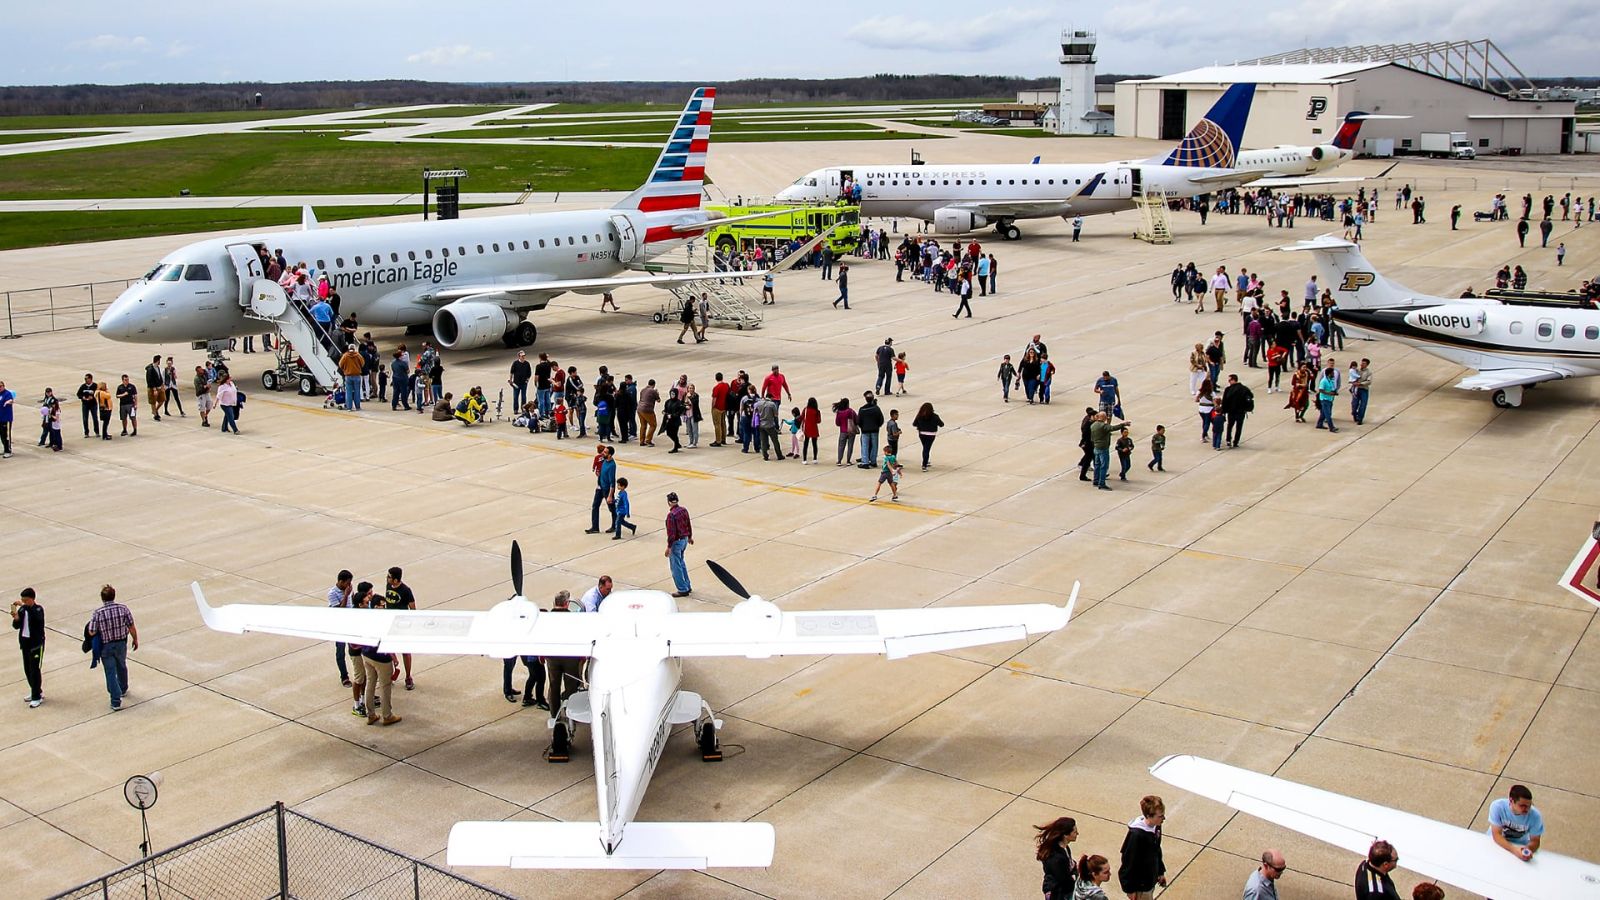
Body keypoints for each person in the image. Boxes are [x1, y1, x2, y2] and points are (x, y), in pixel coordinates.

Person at [86, 584, 138, 711]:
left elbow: (92, 631)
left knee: (110, 672)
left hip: (106, 646)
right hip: (121, 643)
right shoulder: (123, 609)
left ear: (102, 598)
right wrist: (135, 639)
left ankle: (115, 701)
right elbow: (131, 626)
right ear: (114, 596)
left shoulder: (98, 613)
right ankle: (123, 688)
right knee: (122, 665)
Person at [1117, 795, 1166, 900]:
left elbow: (1156, 850)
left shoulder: (1156, 826)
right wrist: (1129, 889)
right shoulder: (1137, 836)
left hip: (1150, 880)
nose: (1163, 818)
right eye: (1160, 816)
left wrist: (1160, 871)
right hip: (1141, 886)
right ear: (1149, 816)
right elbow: (1128, 862)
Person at [1487, 784, 1543, 863]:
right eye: (1522, 805)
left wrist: (1526, 849)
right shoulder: (1497, 807)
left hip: (1519, 845)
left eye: (1529, 805)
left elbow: (1535, 841)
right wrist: (1515, 851)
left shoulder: (1535, 816)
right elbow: (1497, 835)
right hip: (1495, 843)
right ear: (1511, 801)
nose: (1526, 809)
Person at [383, 567, 417, 691]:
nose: (387, 578)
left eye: (389, 576)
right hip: (389, 623)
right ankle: (389, 675)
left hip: (402, 625)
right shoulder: (388, 585)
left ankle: (408, 677)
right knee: (388, 650)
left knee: (405, 652)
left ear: (396, 580)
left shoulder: (406, 590)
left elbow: (413, 608)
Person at [12, 588, 45, 707]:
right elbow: (17, 626)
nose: (24, 602)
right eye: (22, 600)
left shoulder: (38, 609)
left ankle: (37, 696)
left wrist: (25, 607)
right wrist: (16, 619)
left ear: (32, 599)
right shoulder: (23, 609)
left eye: (26, 600)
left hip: (35, 644)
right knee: (27, 669)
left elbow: (37, 619)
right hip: (25, 643)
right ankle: (35, 691)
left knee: (35, 670)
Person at [1035, 816, 1078, 900]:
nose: (1077, 834)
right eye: (1075, 832)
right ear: (1066, 835)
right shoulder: (1056, 858)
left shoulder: (1064, 847)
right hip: (1057, 893)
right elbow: (1065, 881)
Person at [327, 570, 354, 687]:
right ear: (341, 581)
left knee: (355, 650)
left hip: (351, 624)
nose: (349, 585)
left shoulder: (349, 590)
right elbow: (339, 611)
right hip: (340, 626)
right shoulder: (332, 593)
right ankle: (344, 676)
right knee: (340, 652)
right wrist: (346, 595)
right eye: (347, 583)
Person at [665, 493, 693, 598]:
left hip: (676, 542)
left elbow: (671, 533)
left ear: (669, 502)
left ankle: (682, 589)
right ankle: (687, 585)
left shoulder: (671, 515)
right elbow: (688, 524)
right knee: (681, 563)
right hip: (685, 540)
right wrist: (690, 536)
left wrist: (669, 547)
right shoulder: (683, 510)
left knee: (675, 566)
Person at [587, 445, 616, 534]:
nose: (603, 453)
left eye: (605, 452)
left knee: (612, 509)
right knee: (595, 506)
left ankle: (615, 525)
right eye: (603, 451)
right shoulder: (604, 460)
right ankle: (595, 527)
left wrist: (610, 496)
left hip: (607, 490)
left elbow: (612, 482)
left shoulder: (611, 466)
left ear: (610, 455)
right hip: (600, 488)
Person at [1221, 374, 1254, 448]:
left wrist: (1223, 411)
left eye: (1229, 380)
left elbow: (1224, 401)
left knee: (1230, 426)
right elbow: (1251, 396)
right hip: (1241, 412)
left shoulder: (1228, 389)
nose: (1228, 382)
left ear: (1233, 380)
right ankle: (1236, 442)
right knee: (1239, 427)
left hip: (1231, 412)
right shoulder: (1244, 389)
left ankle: (1228, 440)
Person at [911, 402, 943, 472]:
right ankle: (924, 465)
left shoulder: (920, 416)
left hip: (922, 434)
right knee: (926, 449)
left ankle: (926, 460)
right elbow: (941, 424)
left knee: (925, 448)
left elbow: (914, 424)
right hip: (931, 434)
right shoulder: (935, 416)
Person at [857, 393, 884, 468]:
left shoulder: (862, 409)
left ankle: (865, 462)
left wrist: (862, 427)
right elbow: (881, 419)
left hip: (865, 430)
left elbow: (859, 421)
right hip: (875, 430)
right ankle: (873, 461)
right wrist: (877, 426)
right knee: (874, 446)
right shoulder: (876, 408)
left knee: (865, 446)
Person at [1089, 412, 1114, 490]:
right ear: (1103, 417)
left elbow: (1092, 438)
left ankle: (1096, 480)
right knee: (1104, 466)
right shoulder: (1103, 426)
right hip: (1103, 448)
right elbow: (1112, 428)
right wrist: (1123, 424)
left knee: (1097, 465)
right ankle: (1102, 483)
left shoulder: (1093, 425)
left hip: (1096, 447)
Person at [1314, 365, 1341, 433]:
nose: (1333, 374)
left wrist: (1334, 393)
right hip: (1325, 399)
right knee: (1328, 414)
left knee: (1323, 413)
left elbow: (1332, 388)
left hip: (1330, 399)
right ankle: (1331, 427)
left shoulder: (1330, 380)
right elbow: (1321, 390)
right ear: (1329, 374)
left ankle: (1319, 424)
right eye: (1332, 373)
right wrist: (1329, 393)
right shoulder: (1324, 381)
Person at [833, 397, 858, 466]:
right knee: (850, 446)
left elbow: (837, 423)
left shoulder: (839, 412)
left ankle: (839, 460)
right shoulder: (851, 411)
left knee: (841, 446)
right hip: (851, 431)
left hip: (843, 431)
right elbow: (856, 420)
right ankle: (848, 461)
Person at [638, 379, 660, 447]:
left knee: (643, 425)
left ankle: (642, 441)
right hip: (647, 410)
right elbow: (658, 400)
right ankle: (648, 440)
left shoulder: (643, 390)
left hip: (639, 409)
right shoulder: (653, 391)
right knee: (653, 425)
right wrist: (657, 393)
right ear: (654, 384)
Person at [76, 373, 98, 438]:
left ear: (91, 379)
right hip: (85, 404)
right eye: (85, 379)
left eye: (87, 379)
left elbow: (98, 393)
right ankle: (86, 433)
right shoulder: (83, 386)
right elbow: (78, 394)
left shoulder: (95, 385)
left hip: (93, 404)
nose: (86, 380)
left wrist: (93, 397)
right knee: (85, 419)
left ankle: (97, 432)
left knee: (95, 418)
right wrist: (83, 397)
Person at [1350, 358, 1372, 425]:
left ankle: (1360, 419)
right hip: (1356, 389)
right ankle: (1354, 414)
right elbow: (1351, 376)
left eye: (1364, 363)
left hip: (1364, 390)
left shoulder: (1369, 372)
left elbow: (1369, 381)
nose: (1362, 364)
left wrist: (1360, 383)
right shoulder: (1356, 370)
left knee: (1363, 405)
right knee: (1354, 404)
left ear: (1367, 365)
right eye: (1362, 363)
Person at [800, 397, 821, 464]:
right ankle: (815, 458)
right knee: (814, 444)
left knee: (805, 444)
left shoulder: (805, 409)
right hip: (814, 429)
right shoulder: (817, 411)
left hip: (806, 429)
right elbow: (818, 421)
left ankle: (804, 459)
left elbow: (802, 417)